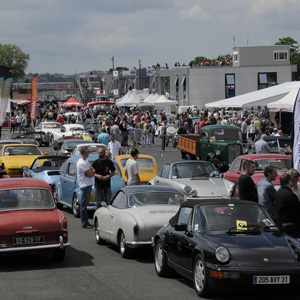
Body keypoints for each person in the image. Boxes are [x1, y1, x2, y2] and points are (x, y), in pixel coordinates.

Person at [275, 173, 300, 238]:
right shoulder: (290, 195)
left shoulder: (278, 193)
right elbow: (298, 209)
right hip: (291, 226)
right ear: (289, 181)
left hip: (281, 225)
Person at [76, 146, 95, 229]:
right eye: (88, 152)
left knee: (85, 204)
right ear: (85, 152)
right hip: (85, 185)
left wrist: (91, 172)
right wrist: (91, 172)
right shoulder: (82, 163)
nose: (89, 153)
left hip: (88, 184)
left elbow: (92, 170)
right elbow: (90, 173)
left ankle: (85, 222)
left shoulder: (85, 161)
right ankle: (85, 222)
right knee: (83, 204)